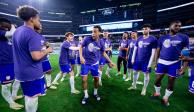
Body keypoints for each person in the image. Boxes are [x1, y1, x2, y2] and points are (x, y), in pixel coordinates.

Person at [13, 5, 53, 112]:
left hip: (21, 71)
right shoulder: (32, 34)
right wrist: (47, 50)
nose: (39, 21)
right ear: (32, 18)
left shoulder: (17, 31)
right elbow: (36, 56)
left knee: (28, 95)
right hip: (31, 72)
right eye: (38, 18)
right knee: (32, 97)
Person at [153, 20, 189, 106]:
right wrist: (155, 62)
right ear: (170, 26)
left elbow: (186, 53)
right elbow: (157, 51)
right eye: (176, 25)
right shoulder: (162, 38)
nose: (178, 27)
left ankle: (165, 98)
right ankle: (157, 93)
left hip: (175, 63)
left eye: (179, 26)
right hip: (161, 62)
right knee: (157, 80)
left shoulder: (184, 37)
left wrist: (184, 67)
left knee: (171, 81)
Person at [79, 25, 115, 105]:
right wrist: (81, 57)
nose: (93, 33)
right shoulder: (87, 39)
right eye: (92, 31)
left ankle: (95, 93)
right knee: (84, 79)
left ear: (99, 33)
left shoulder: (101, 42)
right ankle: (86, 95)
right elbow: (80, 47)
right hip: (85, 63)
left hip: (95, 63)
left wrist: (110, 61)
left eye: (95, 32)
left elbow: (103, 52)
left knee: (96, 79)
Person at [0, 18, 23, 110]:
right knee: (6, 84)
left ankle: (13, 96)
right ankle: (11, 103)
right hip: (4, 62)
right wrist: (13, 27)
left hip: (12, 61)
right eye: (7, 25)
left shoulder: (7, 35)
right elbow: (12, 33)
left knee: (17, 79)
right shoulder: (1, 32)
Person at [129, 24, 157, 96]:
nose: (144, 30)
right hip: (137, 60)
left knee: (146, 74)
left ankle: (144, 89)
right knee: (135, 72)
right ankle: (134, 85)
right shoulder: (139, 38)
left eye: (146, 29)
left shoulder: (153, 39)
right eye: (143, 29)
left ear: (149, 30)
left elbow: (153, 52)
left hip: (146, 61)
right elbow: (135, 49)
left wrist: (150, 64)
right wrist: (132, 58)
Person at [35, 26, 57, 90]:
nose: (40, 29)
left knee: (48, 71)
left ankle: (48, 85)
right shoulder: (32, 37)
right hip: (37, 58)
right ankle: (42, 87)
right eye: (39, 27)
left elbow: (47, 44)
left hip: (45, 58)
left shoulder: (42, 37)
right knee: (39, 74)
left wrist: (49, 47)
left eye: (41, 28)